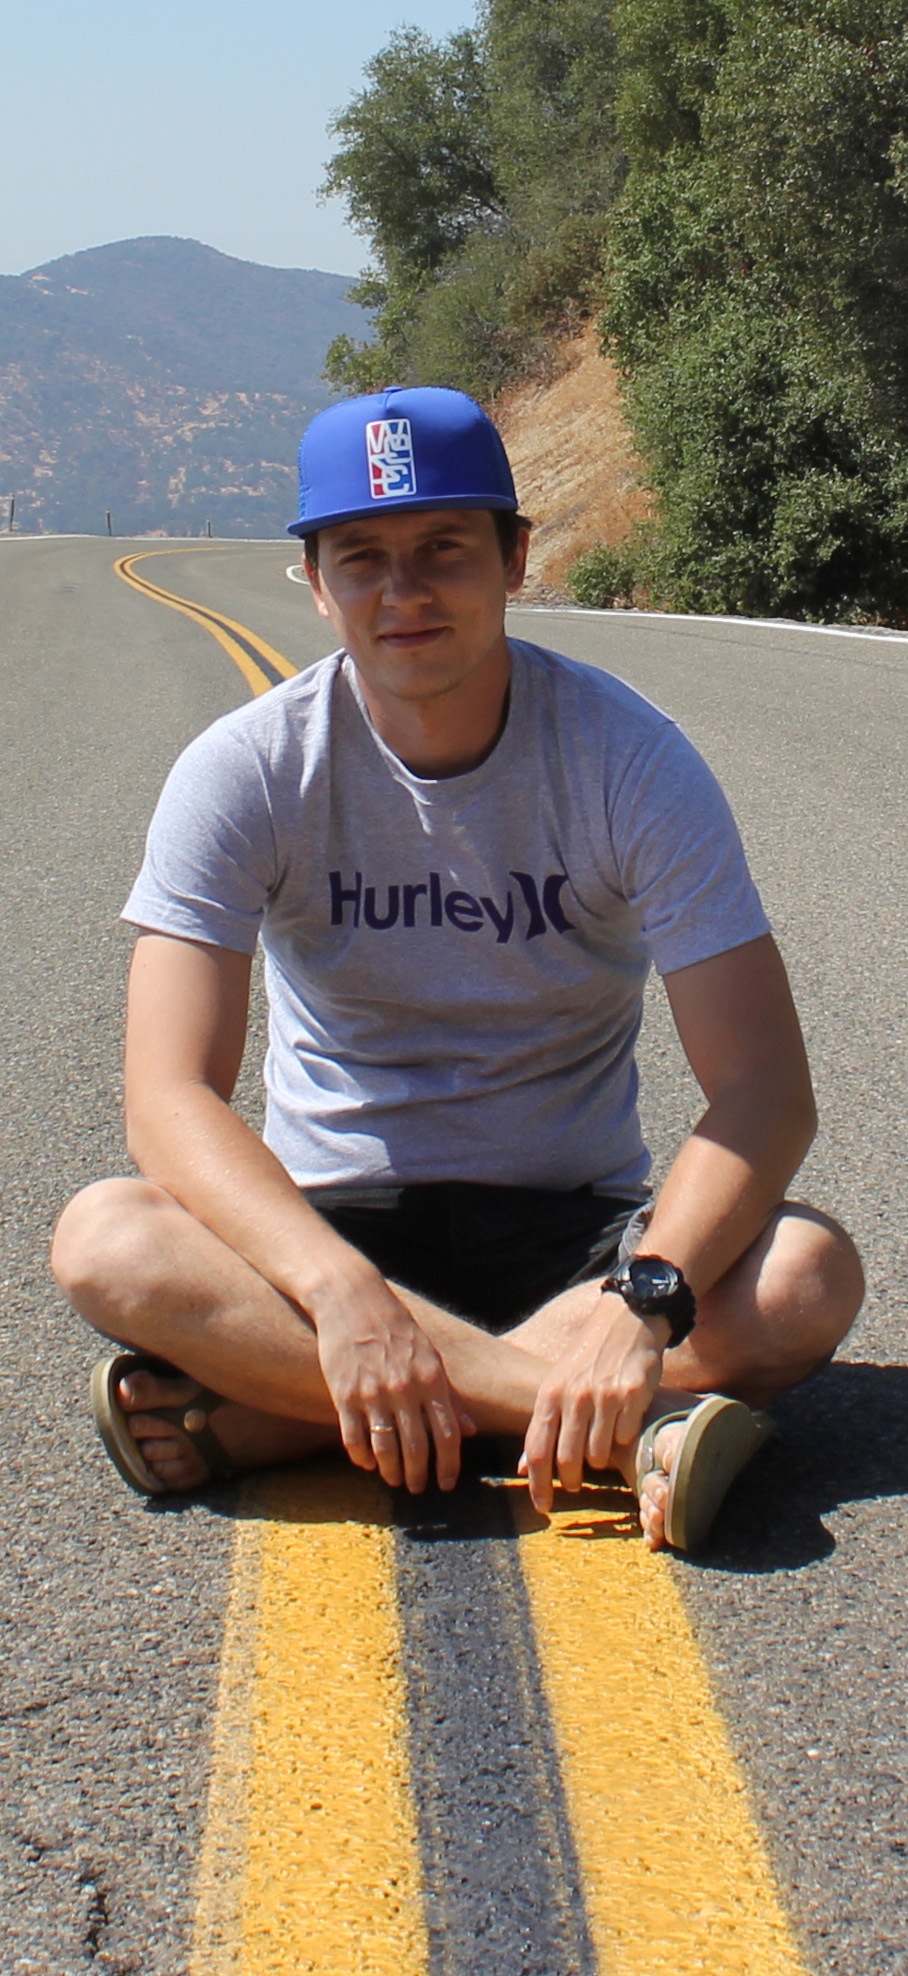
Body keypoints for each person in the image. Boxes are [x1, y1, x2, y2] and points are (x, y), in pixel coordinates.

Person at [52, 386, 863, 1553]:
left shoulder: (630, 760)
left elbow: (763, 1090)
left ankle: (301, 1410)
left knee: (804, 1273)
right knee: (104, 1237)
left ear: (514, 558)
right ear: (314, 581)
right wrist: (339, 1292)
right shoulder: (245, 769)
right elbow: (166, 1097)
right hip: (329, 1223)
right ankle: (591, 1418)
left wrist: (643, 1299)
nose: (404, 593)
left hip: (573, 1232)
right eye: (361, 557)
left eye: (443, 547)